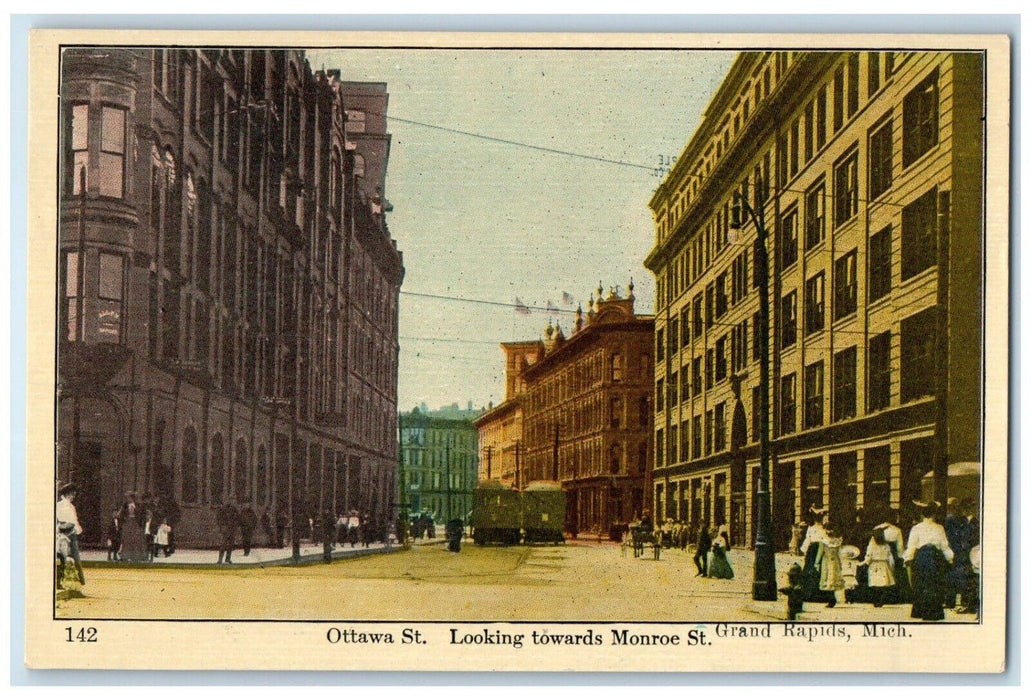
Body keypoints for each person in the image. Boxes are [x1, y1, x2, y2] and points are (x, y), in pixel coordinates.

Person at [904, 500, 955, 621]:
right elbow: (944, 546)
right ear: (934, 515)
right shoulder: (939, 528)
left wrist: (908, 559)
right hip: (935, 558)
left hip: (921, 558)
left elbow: (911, 546)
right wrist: (950, 558)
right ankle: (933, 613)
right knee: (934, 585)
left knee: (922, 584)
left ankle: (921, 611)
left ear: (922, 515)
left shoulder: (916, 528)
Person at [943, 498, 972, 610]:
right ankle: (964, 601)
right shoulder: (963, 519)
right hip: (961, 550)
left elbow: (947, 536)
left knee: (952, 576)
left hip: (953, 550)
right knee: (961, 576)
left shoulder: (949, 519)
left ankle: (951, 601)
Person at [861, 527, 896, 607]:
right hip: (884, 565)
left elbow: (869, 555)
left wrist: (866, 563)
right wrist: (891, 567)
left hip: (874, 565)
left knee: (875, 584)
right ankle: (881, 600)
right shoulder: (886, 545)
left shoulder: (872, 544)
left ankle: (876, 601)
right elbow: (890, 556)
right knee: (883, 584)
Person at [815, 524, 845, 608]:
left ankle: (831, 600)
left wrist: (816, 563)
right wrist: (817, 562)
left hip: (830, 561)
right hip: (830, 561)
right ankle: (831, 599)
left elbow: (820, 553)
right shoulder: (825, 541)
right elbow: (820, 552)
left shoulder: (836, 541)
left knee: (831, 579)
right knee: (830, 579)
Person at [120, 494, 147, 562]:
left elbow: (142, 515)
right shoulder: (125, 506)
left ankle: (137, 557)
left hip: (136, 523)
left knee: (136, 540)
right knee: (127, 540)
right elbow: (121, 515)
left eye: (129, 497)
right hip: (128, 523)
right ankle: (126, 556)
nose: (128, 499)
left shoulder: (138, 505)